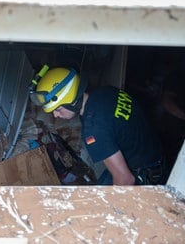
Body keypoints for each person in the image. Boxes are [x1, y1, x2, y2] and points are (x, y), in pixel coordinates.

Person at [31, 67, 164, 185]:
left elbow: (126, 180)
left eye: (58, 109)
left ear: (71, 101)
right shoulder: (105, 92)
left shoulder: (93, 131)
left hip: (146, 174)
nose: (55, 115)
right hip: (153, 153)